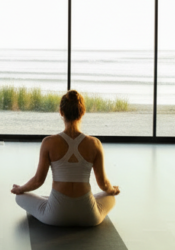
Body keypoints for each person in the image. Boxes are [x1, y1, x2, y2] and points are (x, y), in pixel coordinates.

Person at [11, 90, 120, 226]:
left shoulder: (48, 143)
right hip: (88, 216)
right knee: (111, 197)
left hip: (55, 215)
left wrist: (20, 189)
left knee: (19, 197)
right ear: (83, 112)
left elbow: (38, 181)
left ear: (61, 112)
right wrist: (112, 190)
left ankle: (49, 200)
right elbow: (103, 184)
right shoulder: (95, 144)